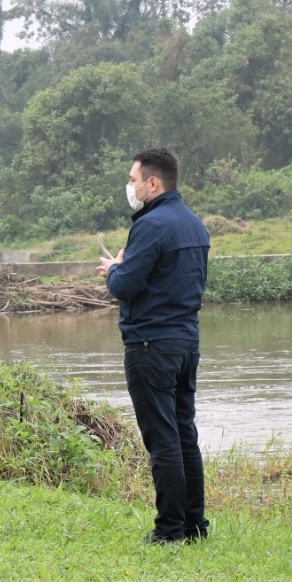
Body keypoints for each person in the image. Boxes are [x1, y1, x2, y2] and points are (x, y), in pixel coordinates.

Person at [97, 147, 211, 544]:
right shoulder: (195, 224)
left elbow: (127, 285)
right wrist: (126, 267)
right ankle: (194, 526)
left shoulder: (151, 225)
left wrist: (114, 271)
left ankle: (169, 531)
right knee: (183, 434)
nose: (129, 186)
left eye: (132, 179)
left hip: (150, 344)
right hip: (186, 343)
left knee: (162, 439)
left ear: (153, 183)